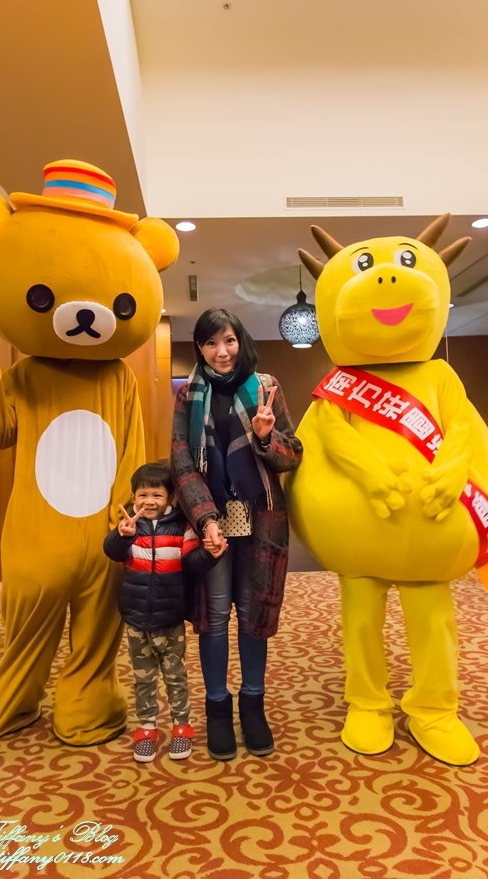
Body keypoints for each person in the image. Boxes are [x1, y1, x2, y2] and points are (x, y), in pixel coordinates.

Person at [171, 308, 303, 760]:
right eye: (210, 343)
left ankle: (253, 705)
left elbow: (292, 455)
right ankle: (217, 709)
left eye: (228, 340)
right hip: (210, 522)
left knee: (252, 614)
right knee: (214, 616)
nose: (221, 351)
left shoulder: (265, 387)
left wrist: (266, 438)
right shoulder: (189, 394)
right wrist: (205, 518)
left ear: (239, 340)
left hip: (260, 516)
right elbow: (181, 461)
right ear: (200, 348)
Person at [104, 462, 227, 762]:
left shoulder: (181, 526)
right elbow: (112, 551)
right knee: (143, 679)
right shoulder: (129, 527)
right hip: (136, 619)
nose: (149, 501)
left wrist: (210, 555)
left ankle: (182, 727)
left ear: (170, 497)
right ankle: (147, 728)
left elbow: (192, 564)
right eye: (142, 495)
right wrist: (122, 536)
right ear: (133, 497)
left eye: (157, 495)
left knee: (175, 677)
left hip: (170, 618)